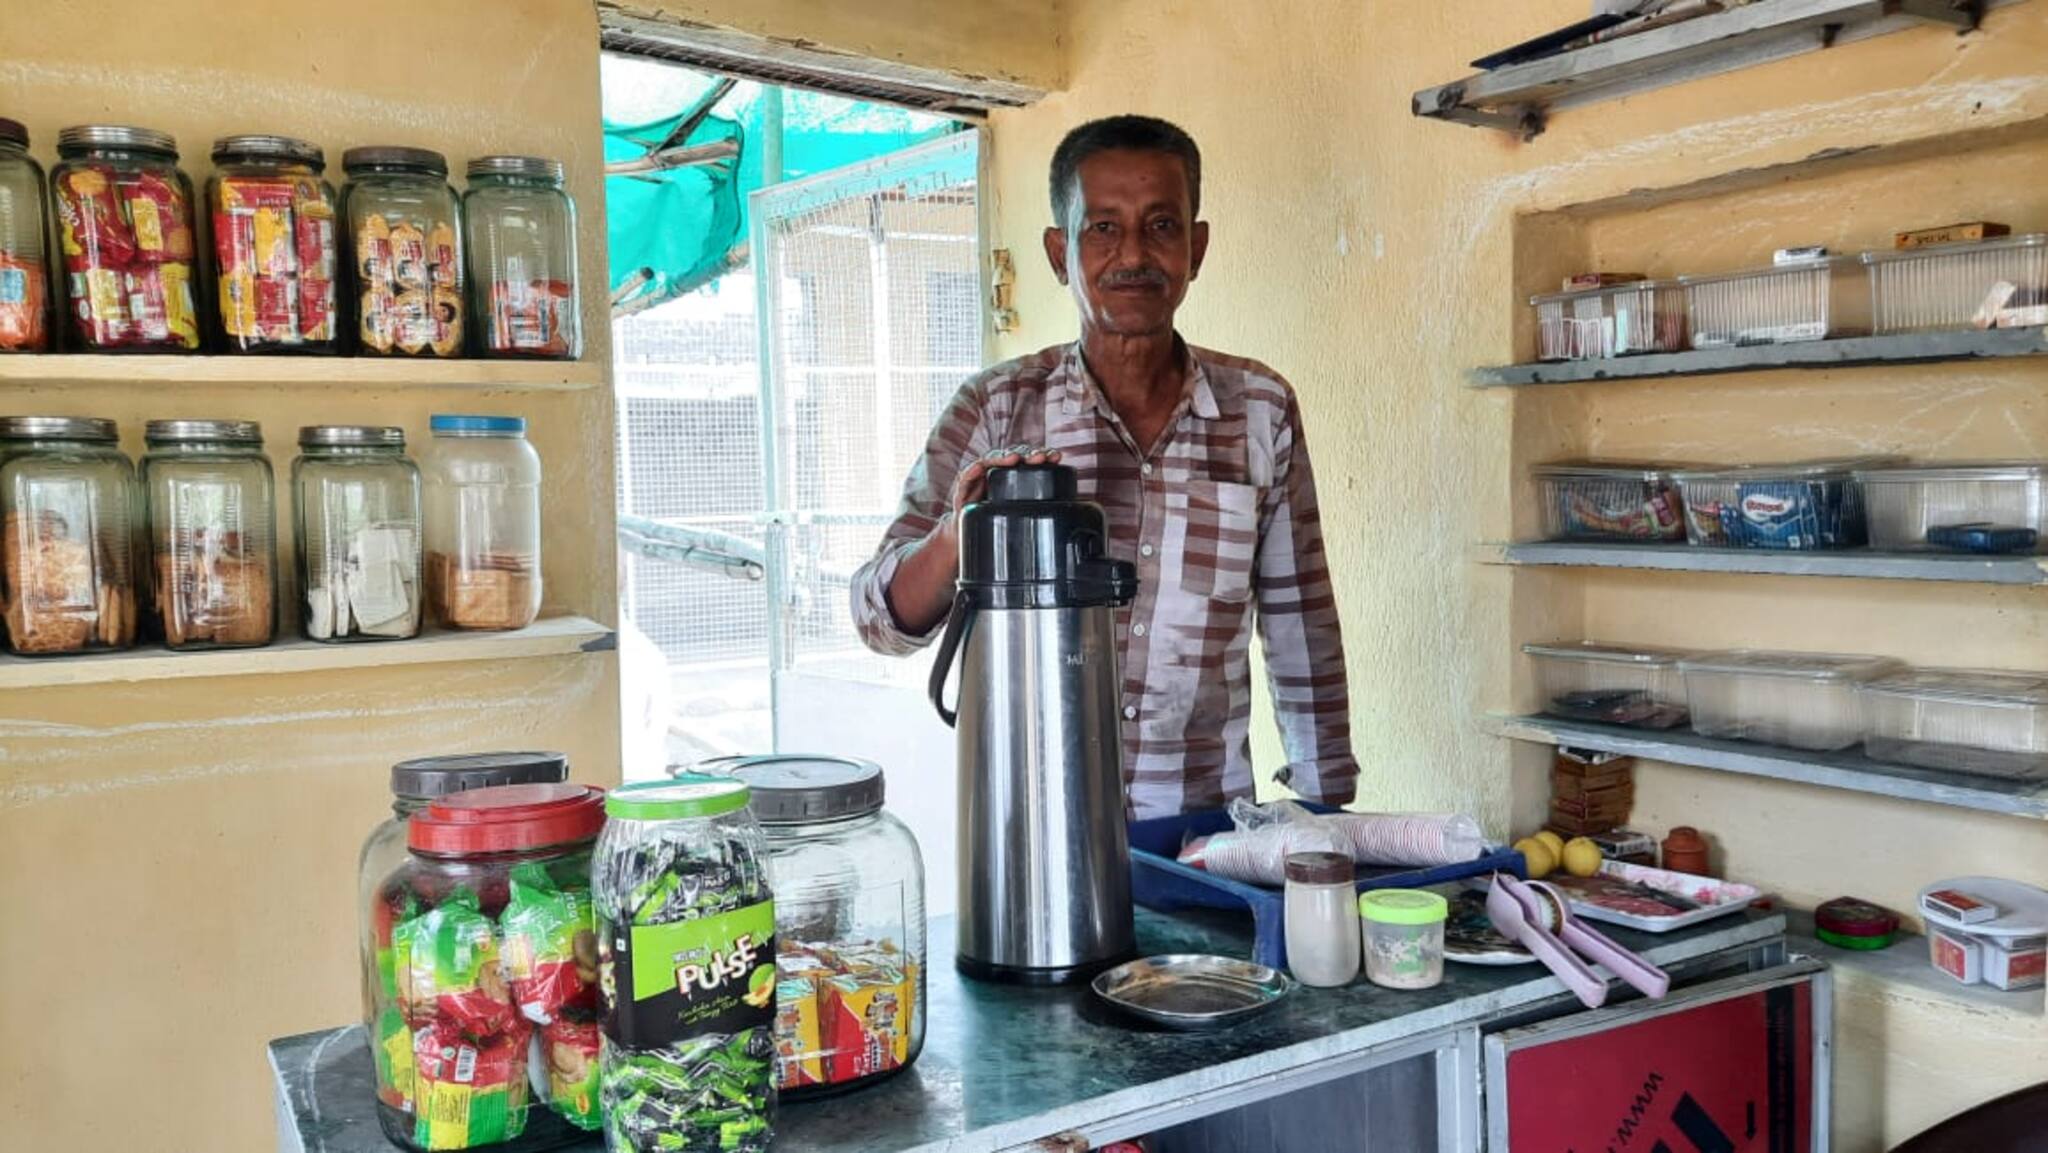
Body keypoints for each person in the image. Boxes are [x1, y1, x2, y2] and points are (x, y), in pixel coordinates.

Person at [848, 114, 1357, 819]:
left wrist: (1324, 818)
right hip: (1030, 835)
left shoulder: (1260, 410)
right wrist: (960, 533)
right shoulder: (996, 409)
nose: (1134, 255)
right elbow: (879, 619)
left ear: (1196, 247)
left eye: (1161, 226)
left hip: (1202, 839)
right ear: (1060, 253)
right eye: (1103, 228)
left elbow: (1301, 622)